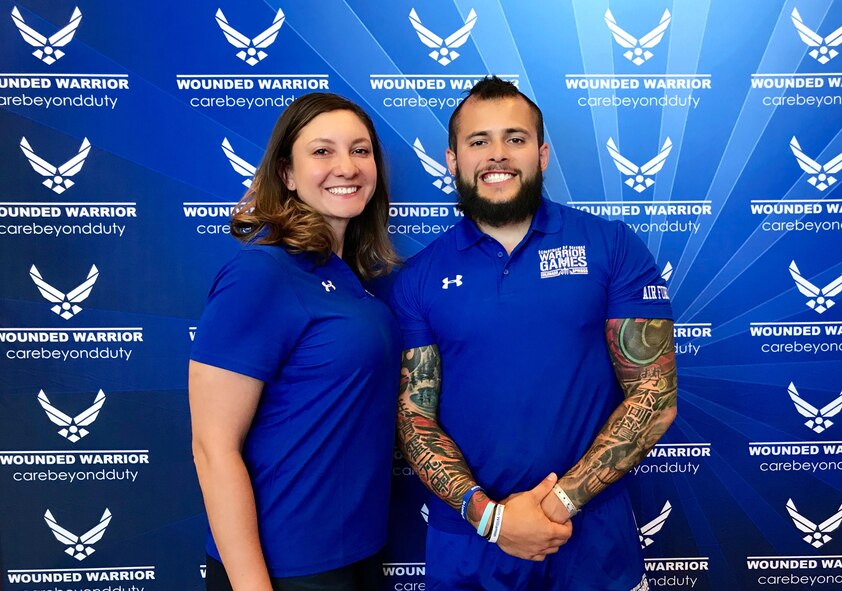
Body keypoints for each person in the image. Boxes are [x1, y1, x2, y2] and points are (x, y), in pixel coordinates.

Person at [390, 77, 676, 590]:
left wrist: (557, 504)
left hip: (592, 548)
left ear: (542, 154)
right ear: (452, 160)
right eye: (479, 142)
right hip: (469, 554)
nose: (497, 155)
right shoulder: (418, 277)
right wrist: (494, 520)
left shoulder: (610, 247)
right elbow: (415, 419)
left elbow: (654, 396)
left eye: (515, 139)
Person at [189, 93, 401, 591]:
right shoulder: (261, 272)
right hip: (284, 569)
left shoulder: (347, 278)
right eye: (322, 152)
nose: (346, 167)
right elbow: (211, 447)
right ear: (286, 173)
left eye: (361, 150)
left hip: (357, 555)